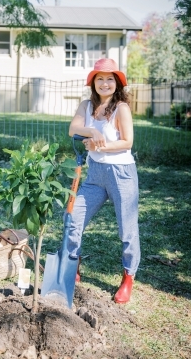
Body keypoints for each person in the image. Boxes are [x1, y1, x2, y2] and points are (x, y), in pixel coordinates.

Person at [68, 58, 140, 304]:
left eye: (110, 78)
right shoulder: (87, 106)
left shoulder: (121, 108)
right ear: (93, 82)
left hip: (121, 174)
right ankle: (72, 266)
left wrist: (99, 145)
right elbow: (73, 129)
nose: (105, 83)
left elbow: (127, 142)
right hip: (95, 175)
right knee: (72, 217)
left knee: (127, 230)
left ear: (117, 83)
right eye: (101, 78)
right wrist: (93, 132)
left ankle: (128, 278)